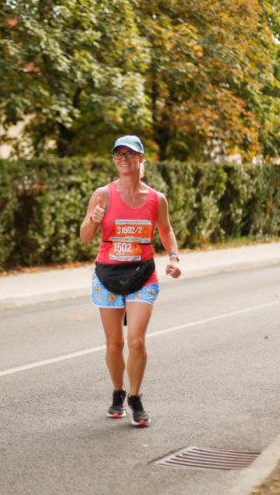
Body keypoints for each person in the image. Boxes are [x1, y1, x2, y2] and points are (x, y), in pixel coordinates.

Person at [80, 135, 181, 427]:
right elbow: (85, 238)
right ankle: (118, 392)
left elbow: (166, 229)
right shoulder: (102, 195)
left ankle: (135, 398)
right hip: (107, 276)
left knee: (136, 341)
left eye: (129, 154)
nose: (123, 159)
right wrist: (94, 219)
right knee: (115, 344)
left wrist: (174, 257)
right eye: (118, 154)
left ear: (141, 158)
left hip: (142, 275)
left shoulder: (156, 199)